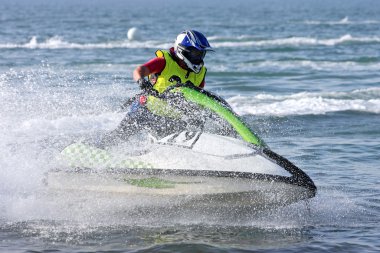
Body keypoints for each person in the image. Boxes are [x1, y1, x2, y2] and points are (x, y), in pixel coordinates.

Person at [101, 30, 213, 146]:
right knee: (119, 137)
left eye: (201, 54)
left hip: (172, 120)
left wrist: (195, 114)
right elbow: (139, 70)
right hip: (145, 110)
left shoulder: (200, 73)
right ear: (182, 50)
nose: (199, 58)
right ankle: (99, 147)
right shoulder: (164, 62)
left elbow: (198, 98)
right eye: (196, 54)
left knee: (164, 146)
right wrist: (142, 82)